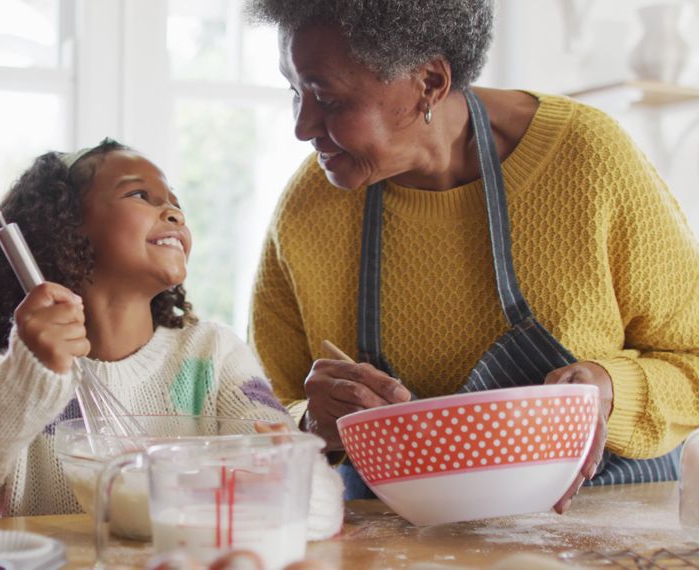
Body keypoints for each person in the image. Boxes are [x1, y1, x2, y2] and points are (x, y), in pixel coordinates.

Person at [245, 0, 699, 510]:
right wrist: (311, 421)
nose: (302, 127)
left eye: (327, 99)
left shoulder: (587, 161)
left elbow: (692, 360)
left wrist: (610, 388)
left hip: (604, 534)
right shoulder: (307, 210)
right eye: (294, 92)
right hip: (399, 547)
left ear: (431, 83)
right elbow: (256, 411)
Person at [0, 139, 343, 539]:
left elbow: (304, 499)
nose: (173, 212)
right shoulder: (16, 376)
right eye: (140, 196)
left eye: (175, 203)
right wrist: (29, 374)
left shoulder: (211, 357)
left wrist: (295, 473)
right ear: (67, 226)